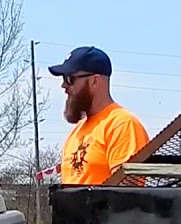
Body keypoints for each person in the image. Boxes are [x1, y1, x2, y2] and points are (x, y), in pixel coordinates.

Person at [48, 46, 150, 185]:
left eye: (70, 79)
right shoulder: (76, 132)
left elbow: (126, 194)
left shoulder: (122, 125)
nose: (64, 85)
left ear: (95, 81)